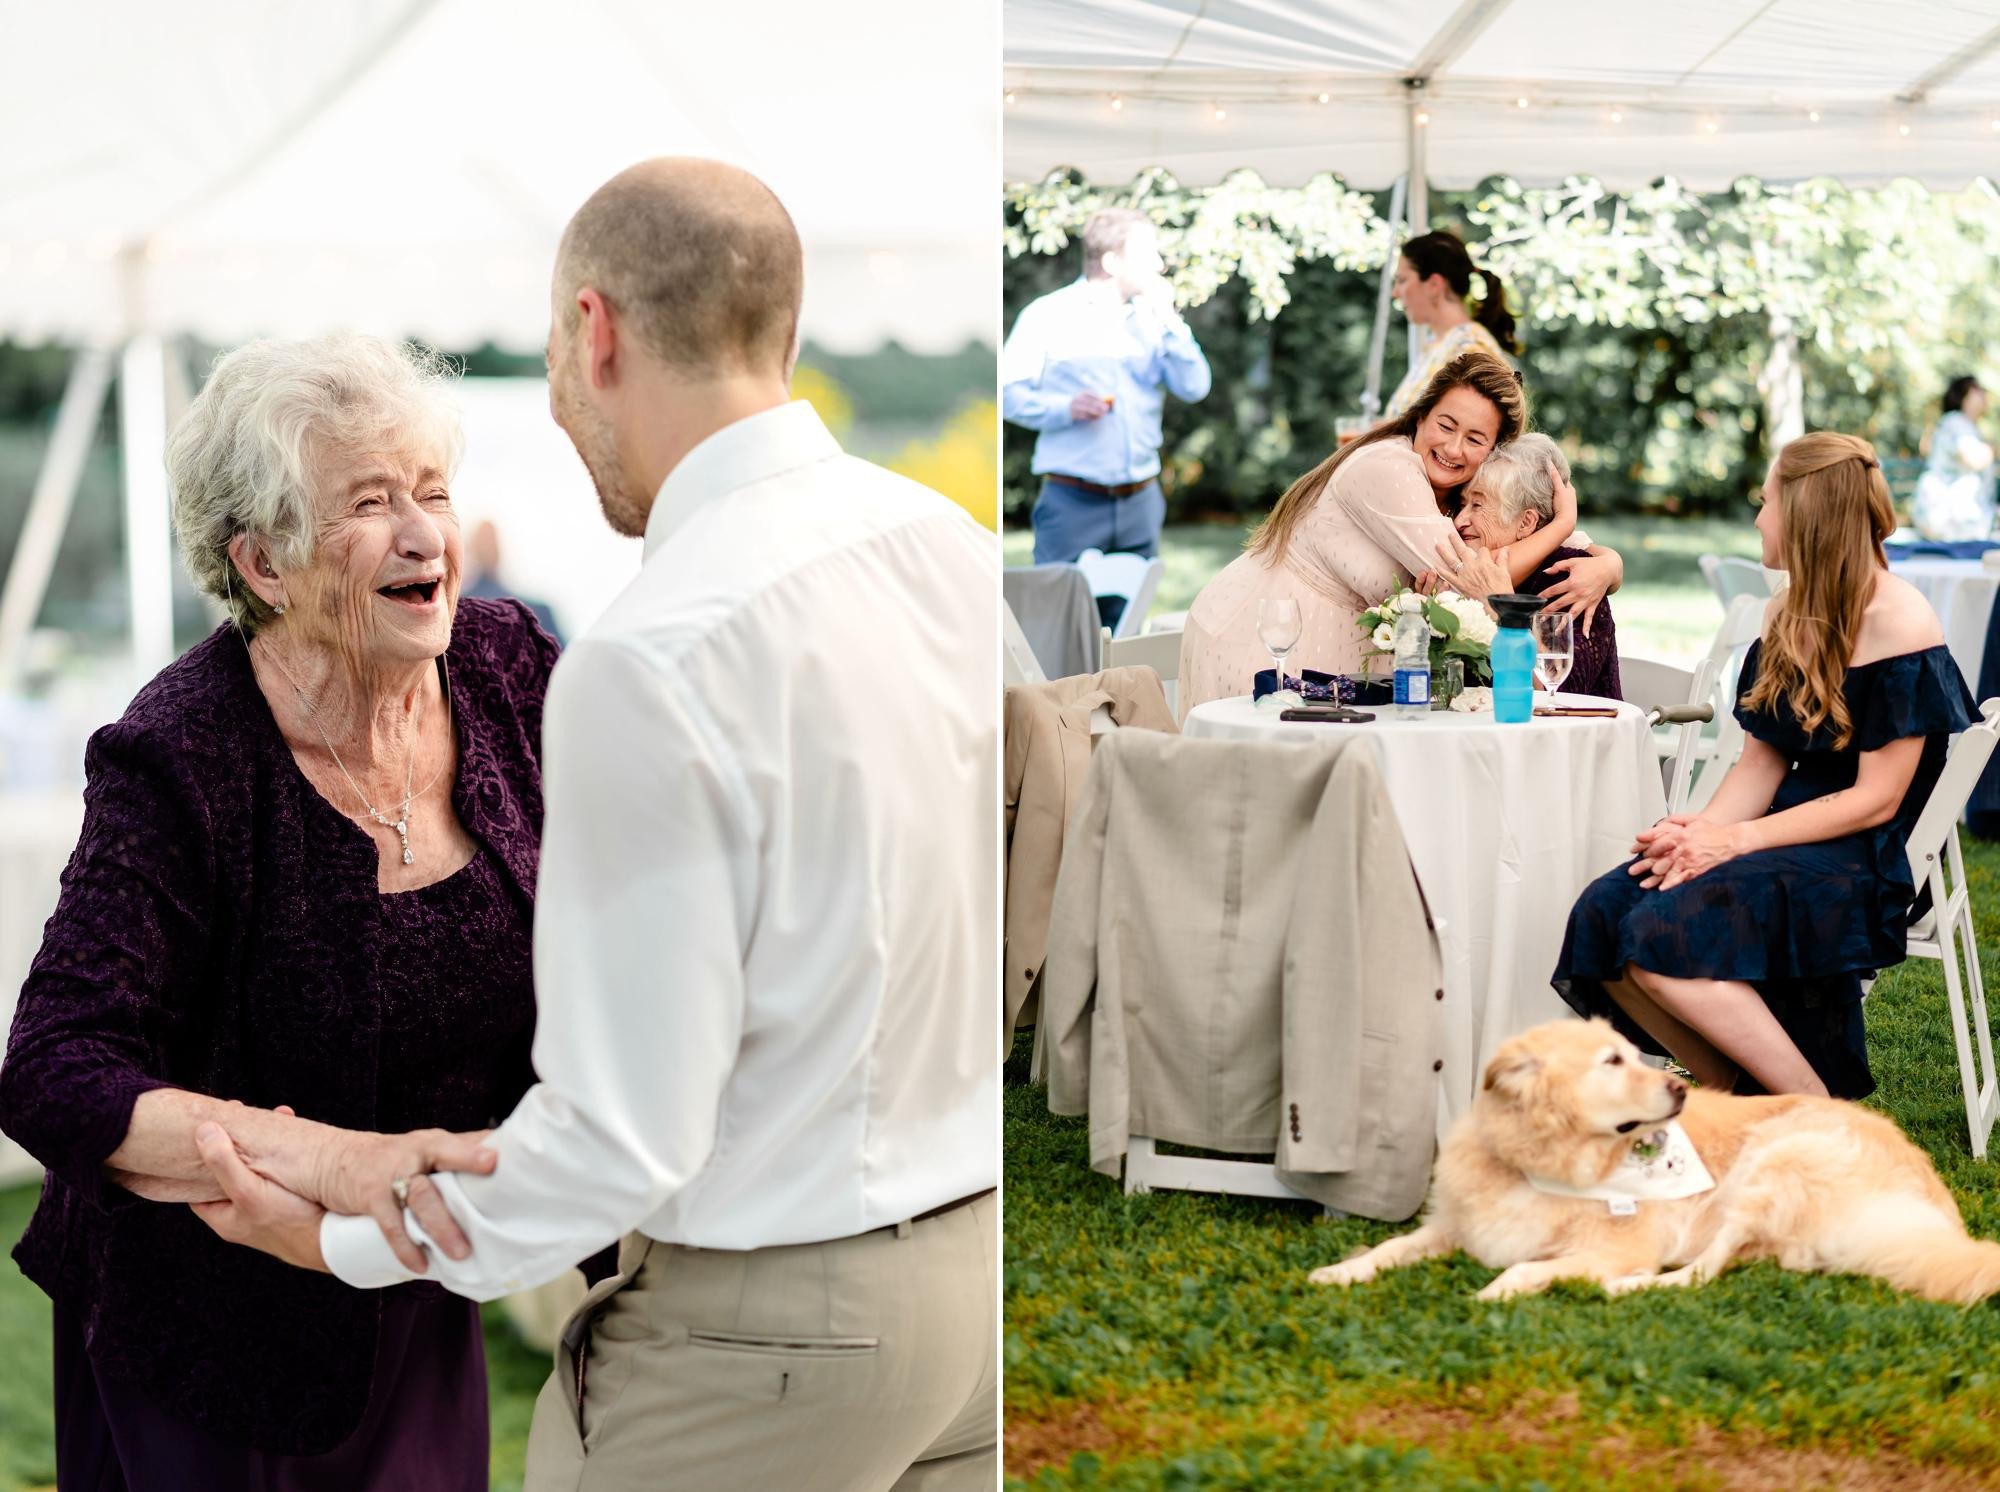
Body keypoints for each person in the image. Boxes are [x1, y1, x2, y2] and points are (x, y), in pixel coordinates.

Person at [187, 158, 999, 1489]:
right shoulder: (949, 547)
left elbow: (624, 1132)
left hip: (765, 1344)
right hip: (978, 1308)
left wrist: (328, 1242)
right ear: (781, 332)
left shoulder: (652, 654)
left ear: (592, 331)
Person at [0, 332, 557, 1484]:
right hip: (206, 1325)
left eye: (432, 492)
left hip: (408, 1280)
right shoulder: (181, 751)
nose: (423, 535)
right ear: (264, 564)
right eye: (368, 502)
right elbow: (55, 1064)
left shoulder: (510, 669)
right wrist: (331, 1160)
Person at [1554, 432, 1973, 1101]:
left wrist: (1736, 839)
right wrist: (1699, 835)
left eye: (1767, 500)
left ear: (1806, 512)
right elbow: (1762, 761)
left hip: (1864, 854)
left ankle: (1814, 1112)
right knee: (1607, 910)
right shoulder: (1787, 612)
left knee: (1662, 936)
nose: (1757, 518)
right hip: (1783, 833)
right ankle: (1737, 1102)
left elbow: (1877, 800)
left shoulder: (1900, 619)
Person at [1180, 349, 1622, 715]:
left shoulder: (1453, 492)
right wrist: (1562, 524)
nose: (1453, 448)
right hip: (1266, 641)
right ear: (1421, 416)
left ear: (1493, 451)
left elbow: (1525, 536)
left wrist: (1607, 562)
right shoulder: (1388, 468)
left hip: (1335, 677)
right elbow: (1465, 579)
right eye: (1446, 426)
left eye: (1474, 439)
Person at [1001, 206, 1211, 563]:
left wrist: (1171, 322)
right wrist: (1065, 409)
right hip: (1072, 503)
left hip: (1141, 502)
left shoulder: (1155, 320)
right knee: (1062, 617)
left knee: (1129, 617)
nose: (1160, 265)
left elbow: (1195, 387)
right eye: (1149, 254)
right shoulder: (1047, 314)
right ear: (1112, 262)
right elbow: (1006, 395)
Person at [1443, 432, 1622, 699]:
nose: (1459, 521)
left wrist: (1501, 611)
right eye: (1461, 505)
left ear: (1526, 523)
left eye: (1477, 504)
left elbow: (1558, 696)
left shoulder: (1569, 577)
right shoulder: (1467, 576)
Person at [1382, 230, 1519, 421]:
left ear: (1434, 285)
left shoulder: (1470, 350)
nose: (1395, 293)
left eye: (1402, 280)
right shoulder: (1438, 344)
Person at [1911, 374, 1995, 541]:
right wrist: (1993, 449)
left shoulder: (1966, 425)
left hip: (1954, 518)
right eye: (1977, 390)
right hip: (1947, 517)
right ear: (1963, 398)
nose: (1983, 394)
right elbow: (1974, 459)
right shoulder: (1956, 422)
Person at [463, 518, 564, 644]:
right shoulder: (459, 609)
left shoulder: (539, 610)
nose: (488, 548)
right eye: (484, 542)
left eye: (491, 541)